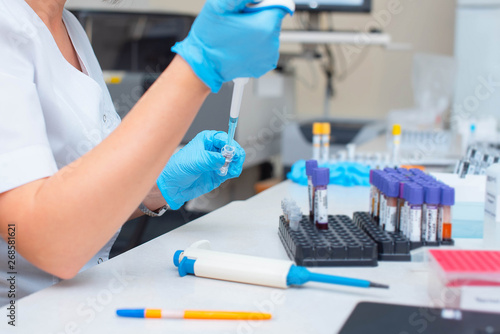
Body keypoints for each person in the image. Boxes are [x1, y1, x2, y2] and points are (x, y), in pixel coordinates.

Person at [0, 0, 287, 305]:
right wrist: (199, 66)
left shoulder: (68, 26)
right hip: (21, 314)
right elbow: (48, 242)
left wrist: (155, 188)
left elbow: (82, 200)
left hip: (77, 302)